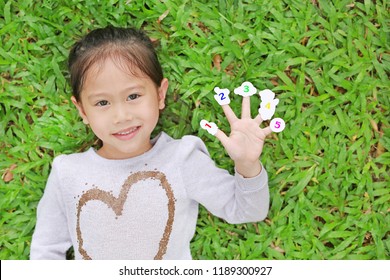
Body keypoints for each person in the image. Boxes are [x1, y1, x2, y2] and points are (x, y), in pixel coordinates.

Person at [30, 26, 273, 260]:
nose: (122, 116)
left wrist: (246, 164)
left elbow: (248, 211)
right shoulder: (67, 172)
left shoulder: (182, 159)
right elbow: (46, 250)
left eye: (133, 96)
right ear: (81, 110)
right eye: (102, 103)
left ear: (160, 94)